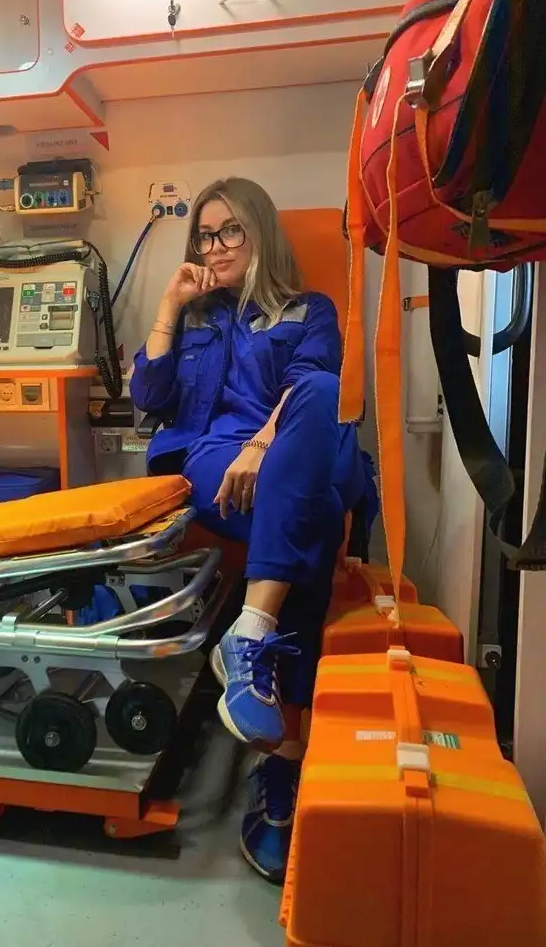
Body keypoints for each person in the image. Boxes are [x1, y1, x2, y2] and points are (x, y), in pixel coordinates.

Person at [130, 177, 378, 884]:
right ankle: (282, 761)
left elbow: (316, 391)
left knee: (319, 409)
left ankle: (251, 640)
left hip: (283, 454)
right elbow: (148, 396)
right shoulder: (199, 317)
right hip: (211, 458)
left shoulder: (310, 310)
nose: (216, 246)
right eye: (206, 235)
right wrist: (170, 305)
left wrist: (265, 443)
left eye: (230, 230)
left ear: (261, 231)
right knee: (314, 515)